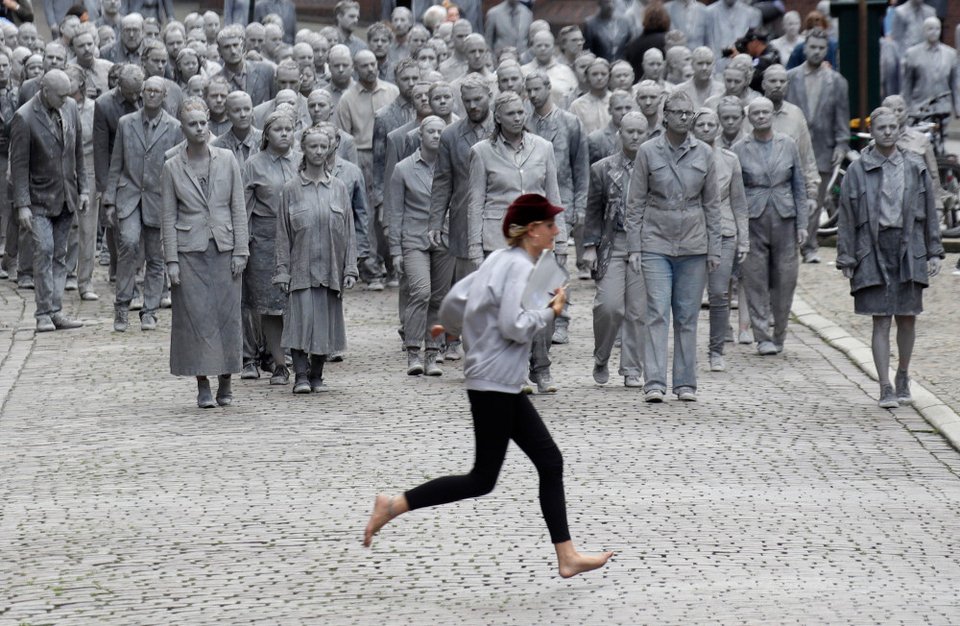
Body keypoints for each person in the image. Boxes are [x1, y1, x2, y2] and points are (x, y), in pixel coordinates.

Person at [363, 193, 615, 580]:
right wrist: (551, 311)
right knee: (482, 478)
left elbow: (455, 301)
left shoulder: (500, 258)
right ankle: (393, 504)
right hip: (494, 381)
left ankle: (567, 556)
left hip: (499, 380)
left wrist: (450, 328)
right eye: (550, 225)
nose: (556, 231)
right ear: (532, 230)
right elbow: (513, 326)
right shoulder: (517, 267)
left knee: (549, 461)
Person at [836, 107, 943, 408]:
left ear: (899, 129)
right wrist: (846, 257)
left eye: (892, 127)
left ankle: (903, 375)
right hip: (872, 245)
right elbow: (846, 215)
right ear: (871, 130)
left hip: (909, 246)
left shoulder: (915, 166)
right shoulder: (858, 169)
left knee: (907, 318)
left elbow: (930, 212)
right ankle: (884, 385)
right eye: (881, 127)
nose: (886, 132)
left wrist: (934, 251)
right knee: (880, 319)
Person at [625, 90, 721, 403]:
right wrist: (634, 247)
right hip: (655, 239)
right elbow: (635, 201)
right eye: (678, 112)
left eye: (688, 112)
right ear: (665, 116)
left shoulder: (705, 154)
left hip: (693, 243)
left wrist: (715, 248)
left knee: (687, 314)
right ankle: (654, 381)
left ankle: (685, 383)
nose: (684, 117)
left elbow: (713, 204)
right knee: (656, 311)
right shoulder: (648, 151)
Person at [467, 91, 564, 393]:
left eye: (521, 113)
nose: (518, 118)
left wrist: (560, 240)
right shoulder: (482, 152)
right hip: (500, 237)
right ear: (497, 117)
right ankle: (516, 371)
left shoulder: (543, 148)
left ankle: (542, 366)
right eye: (510, 113)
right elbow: (475, 201)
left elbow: (554, 194)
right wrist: (473, 248)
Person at [161, 97, 248, 408]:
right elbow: (168, 217)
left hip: (224, 247)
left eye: (203, 123)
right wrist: (171, 260)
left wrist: (241, 250)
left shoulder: (227, 159)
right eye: (192, 124)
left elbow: (238, 206)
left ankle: (226, 379)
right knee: (196, 318)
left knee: (227, 316)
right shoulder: (172, 166)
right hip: (189, 251)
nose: (199, 129)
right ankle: (202, 383)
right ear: (182, 128)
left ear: (210, 122)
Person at [274, 124, 358, 394]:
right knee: (301, 320)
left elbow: (349, 231)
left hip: (330, 268)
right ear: (304, 149)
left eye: (324, 146)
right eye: (313, 146)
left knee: (324, 321)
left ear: (331, 148)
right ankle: (300, 374)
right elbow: (283, 234)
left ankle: (317, 373)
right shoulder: (290, 189)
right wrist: (282, 271)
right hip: (300, 268)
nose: (319, 151)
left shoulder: (339, 189)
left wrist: (351, 268)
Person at [10, 69, 88, 332]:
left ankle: (56, 310)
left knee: (61, 254)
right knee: (44, 251)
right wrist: (22, 205)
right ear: (45, 91)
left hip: (67, 196)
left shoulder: (70, 109)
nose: (67, 100)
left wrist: (84, 190)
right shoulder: (24, 117)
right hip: (39, 198)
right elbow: (19, 166)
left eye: (69, 95)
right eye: (61, 95)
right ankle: (43, 312)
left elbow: (78, 154)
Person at [103, 76, 182, 332]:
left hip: (159, 197)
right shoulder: (126, 123)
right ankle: (122, 306)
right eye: (147, 90)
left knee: (156, 255)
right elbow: (116, 163)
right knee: (127, 244)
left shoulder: (174, 127)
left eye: (156, 91)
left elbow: (178, 168)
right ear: (141, 94)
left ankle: (150, 310)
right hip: (129, 194)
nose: (151, 95)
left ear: (164, 95)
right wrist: (110, 201)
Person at [732, 97, 808, 357]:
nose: (762, 116)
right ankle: (762, 335)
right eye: (756, 113)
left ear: (772, 116)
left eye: (766, 112)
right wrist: (739, 227)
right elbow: (736, 192)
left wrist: (803, 224)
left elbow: (799, 185)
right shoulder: (739, 148)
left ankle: (780, 333)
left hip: (785, 217)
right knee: (754, 278)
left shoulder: (788, 145)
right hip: (754, 218)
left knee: (786, 279)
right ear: (749, 118)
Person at [584, 111, 648, 388]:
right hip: (613, 242)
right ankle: (602, 355)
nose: (635, 136)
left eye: (640, 132)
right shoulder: (602, 169)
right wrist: (589, 246)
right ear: (620, 133)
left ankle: (632, 368)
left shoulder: (655, 167)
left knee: (637, 309)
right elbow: (593, 210)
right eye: (629, 131)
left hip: (645, 245)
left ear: (647, 135)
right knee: (608, 306)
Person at [389, 116, 454, 376]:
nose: (436, 136)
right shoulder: (403, 169)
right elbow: (395, 212)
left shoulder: (451, 168)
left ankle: (432, 354)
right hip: (414, 238)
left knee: (439, 299)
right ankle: (413, 351)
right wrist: (395, 250)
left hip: (445, 239)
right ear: (420, 135)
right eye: (431, 131)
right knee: (420, 291)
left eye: (441, 132)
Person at [241, 109, 299, 385]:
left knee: (300, 301)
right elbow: (244, 209)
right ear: (266, 134)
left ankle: (301, 357)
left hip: (300, 238)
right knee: (271, 303)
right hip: (265, 239)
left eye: (289, 129)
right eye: (278, 129)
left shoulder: (302, 160)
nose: (285, 134)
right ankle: (278, 363)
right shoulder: (253, 164)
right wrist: (244, 244)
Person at [692, 107, 748, 372]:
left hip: (724, 232)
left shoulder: (730, 159)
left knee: (718, 293)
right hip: (692, 231)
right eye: (700, 125)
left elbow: (739, 201)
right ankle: (686, 345)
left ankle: (716, 350)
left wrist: (744, 238)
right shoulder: (686, 158)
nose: (706, 129)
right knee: (688, 295)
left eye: (710, 124)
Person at [785, 29, 849, 264]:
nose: (816, 51)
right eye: (812, 47)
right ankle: (789, 245)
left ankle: (810, 246)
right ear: (804, 48)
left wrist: (841, 144)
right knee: (789, 198)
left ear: (827, 50)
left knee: (816, 199)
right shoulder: (790, 77)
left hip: (823, 146)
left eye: (821, 48)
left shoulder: (838, 82)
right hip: (792, 146)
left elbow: (842, 118)